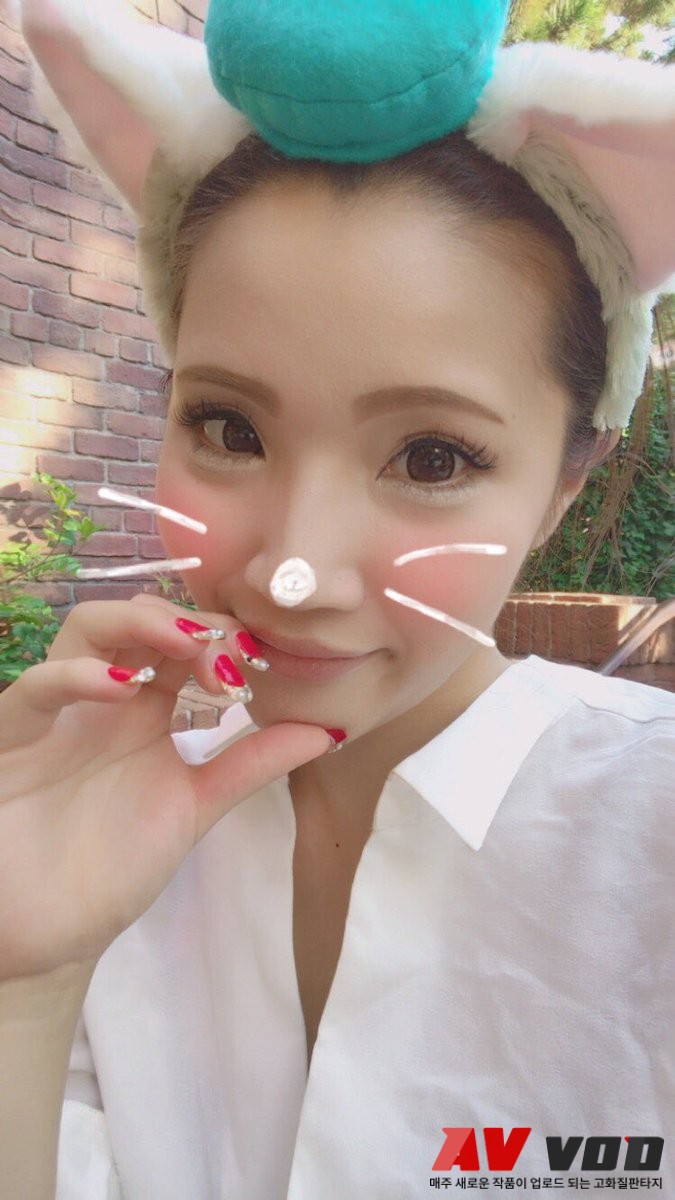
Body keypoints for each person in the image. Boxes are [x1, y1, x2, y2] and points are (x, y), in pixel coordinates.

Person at [2, 2, 674, 1197]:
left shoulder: (648, 840)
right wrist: (29, 983)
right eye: (229, 428)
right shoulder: (89, 829)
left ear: (564, 485)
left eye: (432, 457)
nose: (290, 570)